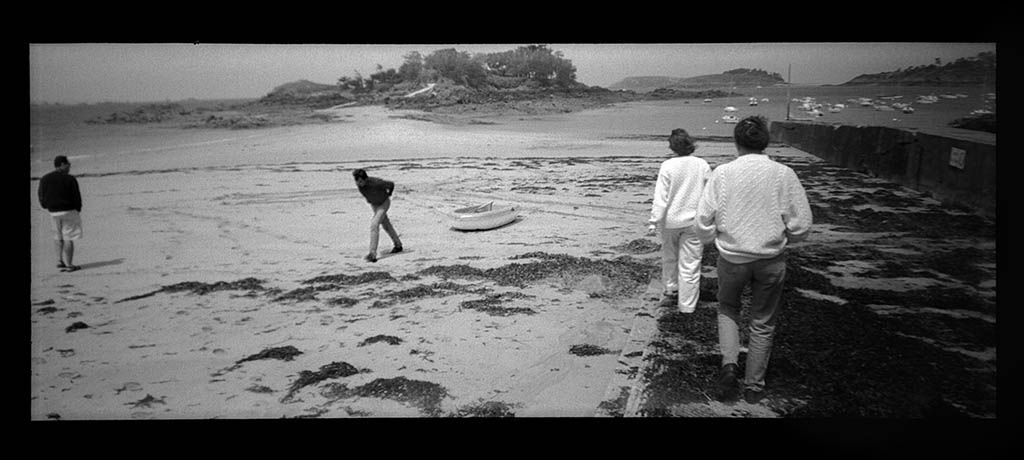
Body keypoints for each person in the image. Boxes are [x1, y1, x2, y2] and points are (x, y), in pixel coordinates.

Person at [695, 115, 812, 404]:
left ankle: (729, 365)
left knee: (728, 308)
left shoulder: (722, 173)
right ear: (766, 142)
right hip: (771, 258)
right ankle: (753, 386)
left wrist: (713, 239)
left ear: (736, 142)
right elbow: (802, 224)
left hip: (732, 257)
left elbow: (702, 219)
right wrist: (788, 239)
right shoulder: (784, 174)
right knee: (763, 321)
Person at [646, 128, 711, 313]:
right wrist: (710, 219)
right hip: (694, 222)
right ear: (690, 145)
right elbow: (709, 196)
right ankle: (687, 307)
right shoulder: (702, 165)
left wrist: (653, 221)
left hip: (670, 222)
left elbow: (661, 197)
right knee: (690, 264)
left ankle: (671, 290)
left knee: (669, 258)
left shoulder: (667, 165)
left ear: (672, 146)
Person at [38, 155, 84, 272]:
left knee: (57, 236)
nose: (69, 166)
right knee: (69, 237)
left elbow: (41, 196)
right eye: (68, 164)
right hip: (68, 210)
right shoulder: (70, 179)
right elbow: (76, 197)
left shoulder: (45, 178)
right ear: (62, 164)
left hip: (53, 211)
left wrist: (46, 206)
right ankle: (69, 264)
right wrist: (78, 208)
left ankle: (59, 260)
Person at [352, 168, 403, 262]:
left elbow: (391, 184)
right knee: (386, 225)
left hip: (384, 203)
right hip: (374, 205)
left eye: (360, 181)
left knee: (374, 225)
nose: (358, 184)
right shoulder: (359, 186)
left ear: (366, 179)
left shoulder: (376, 182)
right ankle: (398, 245)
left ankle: (372, 253)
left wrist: (389, 194)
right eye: (356, 181)